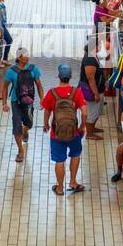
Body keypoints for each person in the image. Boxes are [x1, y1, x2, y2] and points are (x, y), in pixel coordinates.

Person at [44, 62, 86, 195]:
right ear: (71, 76)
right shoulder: (76, 92)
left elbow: (47, 111)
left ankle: (60, 188)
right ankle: (73, 182)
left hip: (56, 133)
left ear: (58, 76)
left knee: (59, 160)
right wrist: (82, 127)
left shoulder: (52, 93)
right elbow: (84, 112)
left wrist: (46, 124)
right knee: (75, 155)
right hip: (73, 132)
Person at [3, 47, 44, 163]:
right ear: (18, 57)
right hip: (16, 102)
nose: (27, 57)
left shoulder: (33, 69)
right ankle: (20, 151)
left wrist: (42, 99)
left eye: (27, 55)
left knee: (29, 124)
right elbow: (5, 87)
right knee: (16, 126)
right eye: (25, 55)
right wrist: (4, 103)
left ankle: (25, 130)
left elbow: (39, 85)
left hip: (29, 102)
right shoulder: (11, 71)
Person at [79, 49, 105, 139]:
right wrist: (96, 93)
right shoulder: (89, 59)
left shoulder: (93, 56)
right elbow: (90, 78)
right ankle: (89, 134)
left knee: (96, 112)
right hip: (92, 92)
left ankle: (92, 128)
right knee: (92, 113)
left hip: (98, 89)